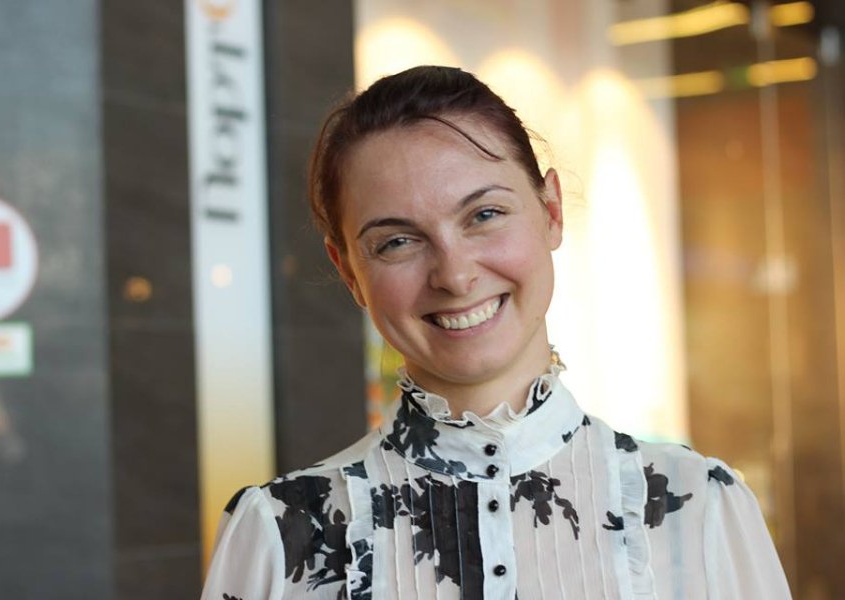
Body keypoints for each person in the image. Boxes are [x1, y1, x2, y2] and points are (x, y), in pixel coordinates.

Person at [200, 66, 791, 599]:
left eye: (484, 215)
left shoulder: (701, 508)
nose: (455, 275)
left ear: (551, 210)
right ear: (350, 272)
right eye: (397, 242)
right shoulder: (279, 533)